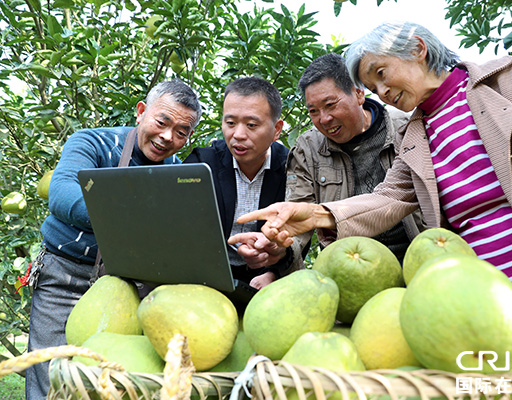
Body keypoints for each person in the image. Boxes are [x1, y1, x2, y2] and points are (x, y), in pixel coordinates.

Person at [237, 21, 512, 397]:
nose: (383, 91)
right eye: (374, 85)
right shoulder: (415, 133)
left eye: (381, 74)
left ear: (418, 48)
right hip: (480, 306)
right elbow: (390, 197)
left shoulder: (510, 82)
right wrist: (313, 215)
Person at [26, 79, 201, 399]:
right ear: (141, 111)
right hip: (66, 273)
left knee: (107, 381)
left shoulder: (179, 174)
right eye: (162, 122)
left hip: (127, 285)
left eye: (181, 131)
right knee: (49, 372)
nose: (167, 137)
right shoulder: (91, 142)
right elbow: (61, 194)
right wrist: (130, 217)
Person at [231, 53, 424, 271]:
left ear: (359, 93)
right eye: (313, 111)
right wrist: (279, 250)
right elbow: (298, 222)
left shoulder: (407, 128)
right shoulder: (308, 149)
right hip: (347, 266)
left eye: (330, 105)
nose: (324, 119)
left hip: (418, 259)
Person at [184, 76, 291, 291]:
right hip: (206, 279)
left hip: (266, 280)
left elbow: (299, 236)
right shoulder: (202, 164)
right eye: (230, 123)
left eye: (251, 125)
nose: (238, 135)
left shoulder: (291, 168)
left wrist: (273, 272)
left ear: (276, 129)